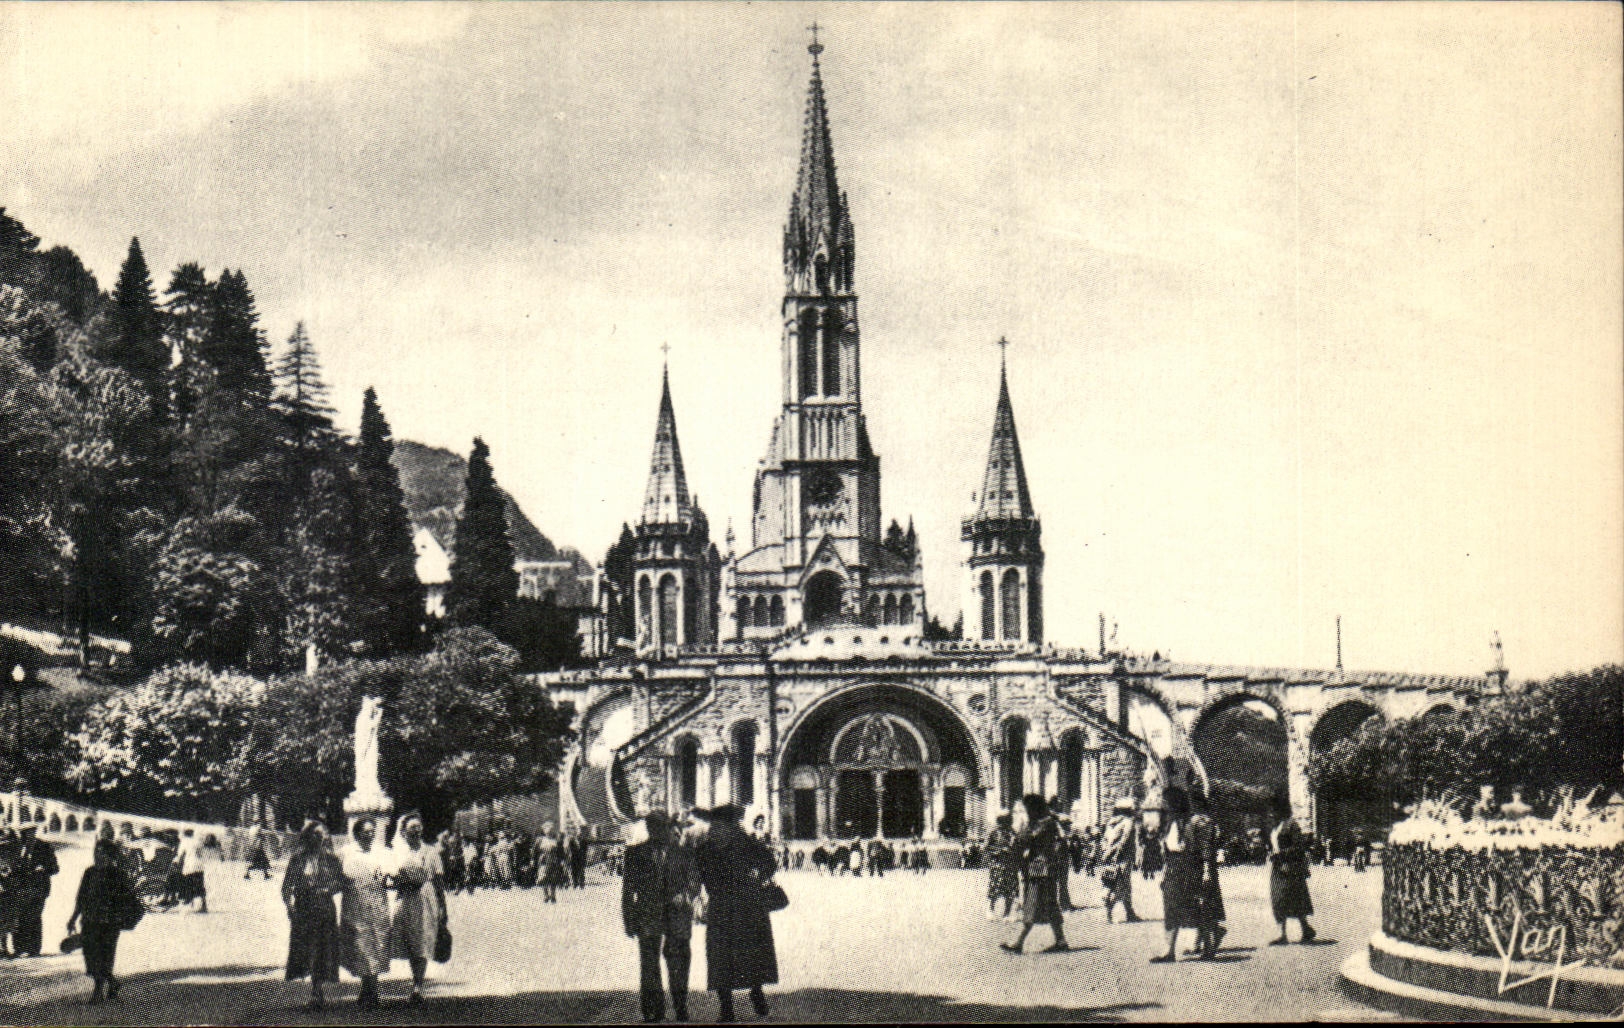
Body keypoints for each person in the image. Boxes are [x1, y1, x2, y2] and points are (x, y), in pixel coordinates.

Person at [694, 805, 778, 1023]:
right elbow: (770, 863)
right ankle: (747, 997)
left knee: (728, 955)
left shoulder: (712, 846)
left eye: (718, 823)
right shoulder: (743, 843)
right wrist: (756, 878)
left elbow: (699, 873)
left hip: (729, 907)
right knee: (742, 953)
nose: (715, 827)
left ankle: (736, 1002)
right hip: (740, 906)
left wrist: (709, 889)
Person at [623, 812, 699, 1023]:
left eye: (660, 826)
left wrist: (686, 895)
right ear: (648, 828)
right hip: (648, 913)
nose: (655, 831)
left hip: (677, 913)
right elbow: (628, 890)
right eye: (651, 827)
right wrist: (629, 919)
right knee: (649, 963)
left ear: (668, 827)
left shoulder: (685, 853)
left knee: (679, 960)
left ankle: (680, 1006)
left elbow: (694, 880)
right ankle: (652, 1010)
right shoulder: (634, 853)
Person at [66, 839, 137, 1004]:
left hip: (109, 923)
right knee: (91, 955)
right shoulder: (89, 872)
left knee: (104, 955)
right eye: (95, 851)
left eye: (101, 852)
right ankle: (113, 983)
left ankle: (98, 992)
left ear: (109, 855)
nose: (97, 855)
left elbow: (127, 899)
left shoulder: (118, 874)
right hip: (89, 920)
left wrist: (119, 916)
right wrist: (73, 918)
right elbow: (81, 898)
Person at [282, 821, 345, 1010]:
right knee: (307, 949)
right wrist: (289, 907)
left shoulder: (331, 859)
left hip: (325, 908)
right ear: (308, 836)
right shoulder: (297, 859)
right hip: (303, 909)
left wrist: (329, 889)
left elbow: (340, 882)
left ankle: (317, 991)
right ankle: (314, 990)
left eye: (323, 834)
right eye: (316, 834)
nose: (320, 838)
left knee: (322, 949)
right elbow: (286, 886)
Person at [1000, 794, 1069, 954]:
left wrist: (1019, 832)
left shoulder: (1044, 823)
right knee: (1050, 905)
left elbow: (1025, 838)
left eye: (1028, 809)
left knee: (1032, 904)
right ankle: (1061, 941)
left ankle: (1018, 943)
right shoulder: (1045, 822)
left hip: (1040, 870)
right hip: (1042, 870)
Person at [391, 814, 446, 1006]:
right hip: (405, 898)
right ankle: (415, 979)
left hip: (425, 897)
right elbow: (391, 877)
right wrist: (400, 881)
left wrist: (442, 906)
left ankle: (418, 985)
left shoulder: (431, 852)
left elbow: (439, 881)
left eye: (418, 827)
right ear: (403, 831)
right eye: (411, 827)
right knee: (410, 940)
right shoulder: (398, 853)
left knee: (422, 939)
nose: (415, 831)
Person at [340, 817, 393, 1009]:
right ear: (357, 833)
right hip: (355, 904)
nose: (370, 835)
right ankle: (365, 986)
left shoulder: (382, 852)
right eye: (366, 831)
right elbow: (336, 876)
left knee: (378, 943)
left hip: (377, 903)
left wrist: (388, 878)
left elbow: (391, 877)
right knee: (361, 945)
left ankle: (373, 989)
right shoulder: (346, 852)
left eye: (372, 831)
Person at [1150, 786, 1206, 963]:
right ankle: (1170, 951)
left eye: (1165, 801)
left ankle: (1209, 934)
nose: (1161, 804)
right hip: (1173, 868)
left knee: (1186, 907)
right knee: (1171, 908)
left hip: (1184, 868)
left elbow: (1192, 849)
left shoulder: (1186, 824)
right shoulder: (1169, 824)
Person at [1267, 798, 1316, 945]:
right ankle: (1284, 934)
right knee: (1278, 899)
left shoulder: (1291, 824)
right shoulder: (1275, 827)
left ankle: (1305, 928)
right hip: (1278, 868)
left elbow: (1298, 846)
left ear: (1281, 810)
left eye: (1273, 811)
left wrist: (1281, 854)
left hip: (1290, 868)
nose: (1271, 814)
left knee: (1293, 899)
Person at [1187, 787, 1226, 959]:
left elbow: (1205, 848)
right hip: (1197, 867)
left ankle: (1210, 944)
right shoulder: (1201, 820)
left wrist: (1206, 870)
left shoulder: (1202, 822)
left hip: (1201, 868)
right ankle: (1199, 943)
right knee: (1200, 904)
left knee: (1203, 905)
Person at [12, 824, 57, 957]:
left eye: (30, 833)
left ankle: (34, 949)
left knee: (34, 916)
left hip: (38, 888)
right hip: (20, 889)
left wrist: (43, 868)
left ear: (34, 832)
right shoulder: (17, 847)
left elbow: (55, 868)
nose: (27, 836)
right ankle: (19, 949)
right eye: (24, 834)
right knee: (19, 916)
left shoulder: (44, 847)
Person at [1099, 798, 1140, 923]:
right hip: (1123, 858)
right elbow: (1125, 840)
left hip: (1109, 857)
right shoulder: (1128, 822)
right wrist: (1118, 853)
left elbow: (1104, 840)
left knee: (1110, 883)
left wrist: (1107, 853)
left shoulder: (1111, 823)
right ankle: (1125, 913)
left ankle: (1122, 913)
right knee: (1123, 885)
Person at [985, 813, 1020, 922]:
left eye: (1007, 822)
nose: (1005, 825)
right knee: (995, 888)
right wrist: (999, 850)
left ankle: (1007, 913)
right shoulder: (994, 833)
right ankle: (991, 910)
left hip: (1010, 865)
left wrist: (1013, 852)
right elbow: (986, 847)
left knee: (1010, 889)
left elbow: (1018, 847)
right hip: (997, 865)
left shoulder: (1013, 833)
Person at [541, 828, 568, 903]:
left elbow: (560, 852)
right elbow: (536, 851)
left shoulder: (556, 841)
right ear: (545, 833)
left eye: (550, 833)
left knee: (553, 879)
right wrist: (533, 860)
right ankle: (546, 895)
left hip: (554, 862)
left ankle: (553, 895)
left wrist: (562, 860)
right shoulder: (541, 841)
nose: (549, 834)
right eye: (547, 833)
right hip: (544, 862)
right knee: (544, 879)